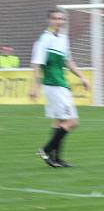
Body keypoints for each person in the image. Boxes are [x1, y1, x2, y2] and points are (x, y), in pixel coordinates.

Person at [29, 10, 90, 168]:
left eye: (62, 19)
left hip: (61, 84)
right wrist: (34, 87)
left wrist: (82, 77)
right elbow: (36, 64)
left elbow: (68, 61)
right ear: (49, 20)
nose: (59, 21)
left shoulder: (63, 38)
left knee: (59, 122)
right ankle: (46, 150)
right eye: (55, 18)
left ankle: (56, 159)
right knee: (72, 121)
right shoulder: (44, 39)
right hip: (53, 85)